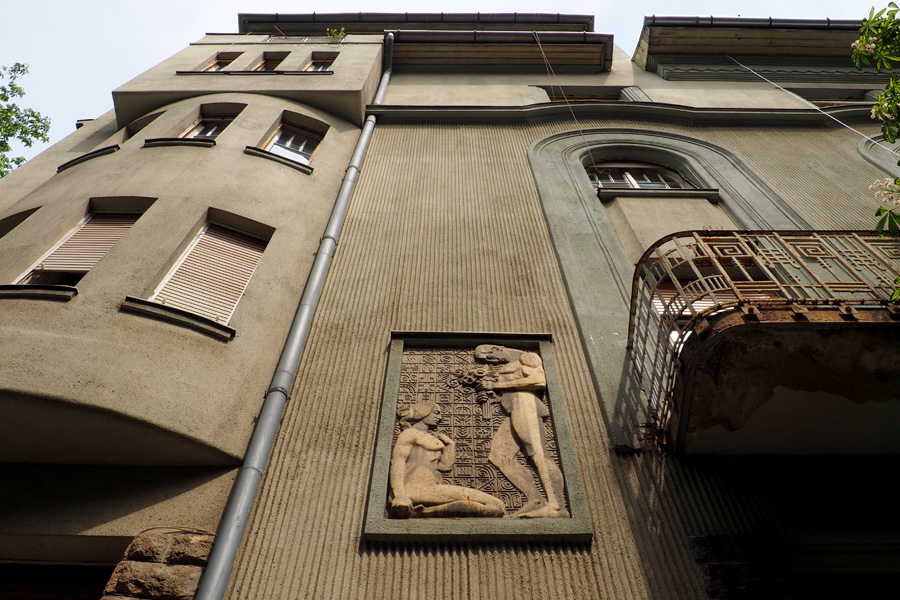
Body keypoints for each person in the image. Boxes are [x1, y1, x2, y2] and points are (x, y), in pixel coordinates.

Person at [474, 345, 568, 518]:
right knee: (500, 456)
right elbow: (513, 389)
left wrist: (497, 384)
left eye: (490, 356)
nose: (491, 361)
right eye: (486, 361)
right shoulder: (510, 365)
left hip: (527, 406)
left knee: (538, 454)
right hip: (514, 408)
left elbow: (538, 382)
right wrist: (496, 396)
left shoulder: (528, 357)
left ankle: (555, 506)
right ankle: (535, 500)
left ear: (495, 348)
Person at [390, 401, 505, 518]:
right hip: (415, 488)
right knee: (496, 505)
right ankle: (419, 512)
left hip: (432, 487)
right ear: (423, 412)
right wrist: (400, 496)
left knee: (496, 506)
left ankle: (424, 511)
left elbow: (444, 467)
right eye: (436, 413)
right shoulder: (409, 434)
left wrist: (450, 445)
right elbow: (398, 463)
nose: (439, 417)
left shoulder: (432, 438)